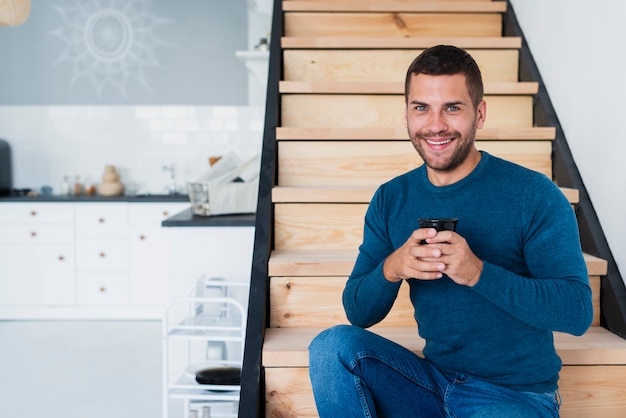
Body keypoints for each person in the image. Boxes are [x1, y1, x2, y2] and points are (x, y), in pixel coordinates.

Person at [308, 45, 593, 417]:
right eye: (421, 107)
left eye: (452, 108)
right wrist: (392, 268)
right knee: (331, 348)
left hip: (514, 396)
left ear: (480, 113)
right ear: (407, 113)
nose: (436, 125)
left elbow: (577, 312)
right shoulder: (392, 198)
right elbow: (358, 312)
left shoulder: (533, 194)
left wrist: (479, 273)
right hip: (431, 384)